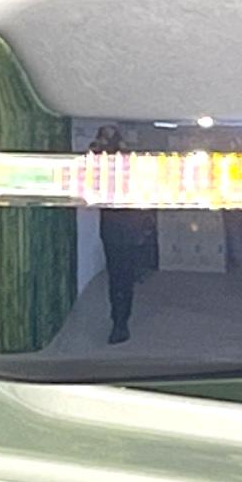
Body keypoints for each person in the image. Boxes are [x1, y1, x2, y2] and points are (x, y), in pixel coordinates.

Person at [89, 125, 155, 344]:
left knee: (121, 277)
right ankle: (119, 322)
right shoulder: (101, 164)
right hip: (115, 227)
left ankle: (120, 322)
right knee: (118, 277)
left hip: (125, 225)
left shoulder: (126, 164)